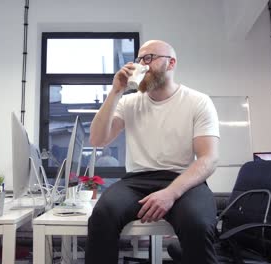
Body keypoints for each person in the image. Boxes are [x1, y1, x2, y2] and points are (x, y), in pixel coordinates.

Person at [87, 40, 220, 264]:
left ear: (171, 64)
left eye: (149, 58)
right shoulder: (128, 102)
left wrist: (170, 194)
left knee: (197, 224)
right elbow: (97, 139)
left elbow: (209, 158)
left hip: (182, 180)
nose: (143, 65)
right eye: (140, 59)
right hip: (136, 181)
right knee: (102, 216)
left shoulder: (198, 102)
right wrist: (116, 91)